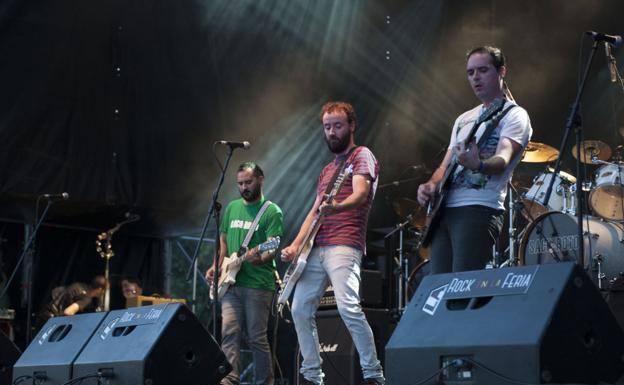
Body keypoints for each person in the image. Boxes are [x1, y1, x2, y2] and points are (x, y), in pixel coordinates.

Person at [281, 101, 384, 385]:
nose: (332, 132)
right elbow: (315, 211)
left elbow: (362, 193)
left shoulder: (362, 155)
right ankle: (313, 376)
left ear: (352, 125)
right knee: (299, 308)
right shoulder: (327, 170)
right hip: (317, 246)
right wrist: (296, 244)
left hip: (345, 243)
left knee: (348, 307)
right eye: (327, 127)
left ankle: (373, 373)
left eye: (337, 125)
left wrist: (336, 208)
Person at [417, 46, 532, 274]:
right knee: (439, 287)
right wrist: (430, 185)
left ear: (501, 72)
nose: (475, 77)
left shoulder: (514, 114)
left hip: (479, 208)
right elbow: (444, 166)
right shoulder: (463, 119)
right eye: (470, 72)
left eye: (482, 70)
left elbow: (503, 158)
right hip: (444, 209)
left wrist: (478, 164)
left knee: (463, 284)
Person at [205, 162, 283, 385]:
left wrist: (258, 257)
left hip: (258, 284)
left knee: (256, 337)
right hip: (231, 283)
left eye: (248, 182)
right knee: (229, 332)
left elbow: (272, 247)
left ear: (260, 179)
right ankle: (230, 379)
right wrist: (215, 266)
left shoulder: (271, 211)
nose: (244, 187)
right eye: (240, 183)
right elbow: (223, 245)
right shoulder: (230, 208)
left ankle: (264, 382)